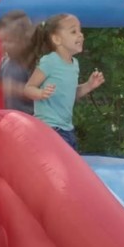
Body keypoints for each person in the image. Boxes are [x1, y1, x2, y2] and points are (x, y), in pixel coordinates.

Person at [23, 13, 105, 150]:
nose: (80, 35)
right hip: (49, 128)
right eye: (74, 31)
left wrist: (88, 86)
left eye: (80, 31)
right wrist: (40, 93)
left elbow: (71, 93)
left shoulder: (75, 64)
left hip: (67, 129)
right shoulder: (50, 61)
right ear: (57, 39)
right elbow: (28, 88)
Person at [0, 10, 35, 114]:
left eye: (9, 41)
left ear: (25, 40)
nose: (3, 45)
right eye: (1, 41)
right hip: (14, 117)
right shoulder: (5, 61)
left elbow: (40, 93)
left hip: (33, 119)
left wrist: (17, 89)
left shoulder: (30, 63)